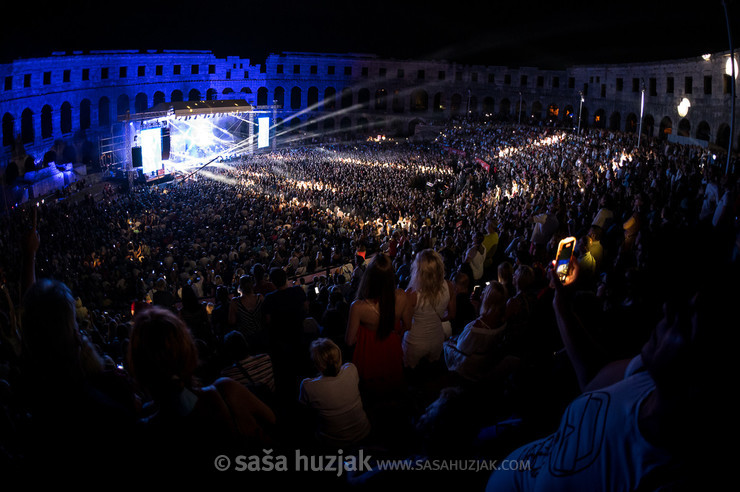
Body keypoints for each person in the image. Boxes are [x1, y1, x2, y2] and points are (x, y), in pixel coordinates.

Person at [486, 239, 736, 491]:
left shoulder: (661, 478)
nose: (669, 310)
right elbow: (592, 379)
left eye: (686, 319)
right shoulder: (645, 377)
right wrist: (560, 302)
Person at [128, 306, 276, 472]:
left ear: (137, 366)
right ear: (188, 349)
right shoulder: (226, 392)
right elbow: (273, 424)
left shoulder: (142, 430)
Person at [345, 253, 408, 396]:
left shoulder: (358, 307)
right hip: (391, 347)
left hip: (369, 353)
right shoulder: (402, 296)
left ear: (369, 277)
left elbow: (350, 340)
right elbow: (407, 325)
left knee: (372, 394)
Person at [299, 338, 371, 448]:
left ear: (317, 364)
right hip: (363, 432)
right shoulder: (351, 369)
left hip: (333, 443)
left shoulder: (308, 386)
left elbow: (305, 411)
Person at [444, 281, 512, 383]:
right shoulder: (503, 322)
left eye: (485, 291)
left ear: (488, 299)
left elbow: (462, 347)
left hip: (468, 365)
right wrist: (477, 309)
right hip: (484, 361)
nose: (482, 292)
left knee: (444, 343)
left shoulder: (476, 328)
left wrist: (451, 341)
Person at [403, 249, 456, 370]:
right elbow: (452, 315)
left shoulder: (412, 293)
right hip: (437, 338)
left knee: (411, 373)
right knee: (432, 371)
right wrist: (436, 319)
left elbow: (406, 325)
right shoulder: (449, 286)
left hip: (415, 342)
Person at [228, 274, 266, 351]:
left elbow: (231, 321)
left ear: (240, 286)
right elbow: (266, 316)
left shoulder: (235, 302)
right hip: (261, 335)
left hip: (246, 338)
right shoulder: (260, 297)